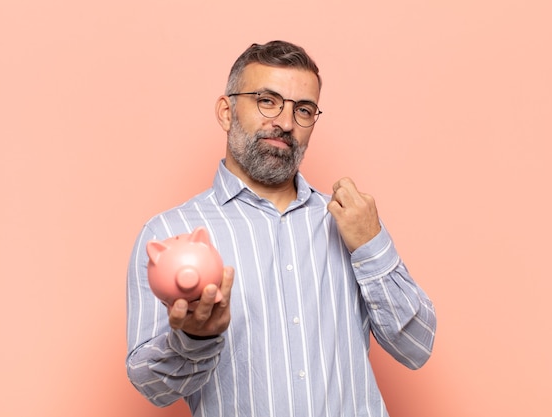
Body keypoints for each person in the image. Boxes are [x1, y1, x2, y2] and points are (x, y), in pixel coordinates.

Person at [126, 40, 436, 417]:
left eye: (303, 109)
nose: (286, 123)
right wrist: (193, 338)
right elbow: (151, 387)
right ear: (226, 112)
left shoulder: (350, 221)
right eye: (267, 101)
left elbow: (417, 347)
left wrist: (372, 245)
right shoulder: (168, 233)